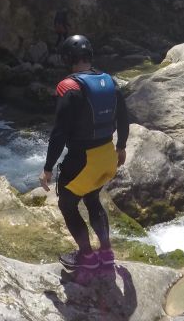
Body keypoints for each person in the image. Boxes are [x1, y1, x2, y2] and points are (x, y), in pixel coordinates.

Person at [39, 34, 130, 271]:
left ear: (67, 58)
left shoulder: (68, 87)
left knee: (67, 206)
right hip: (107, 155)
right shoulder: (110, 81)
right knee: (92, 200)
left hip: (83, 160)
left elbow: (59, 132)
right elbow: (123, 118)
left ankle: (87, 256)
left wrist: (48, 168)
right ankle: (107, 252)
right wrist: (122, 147)